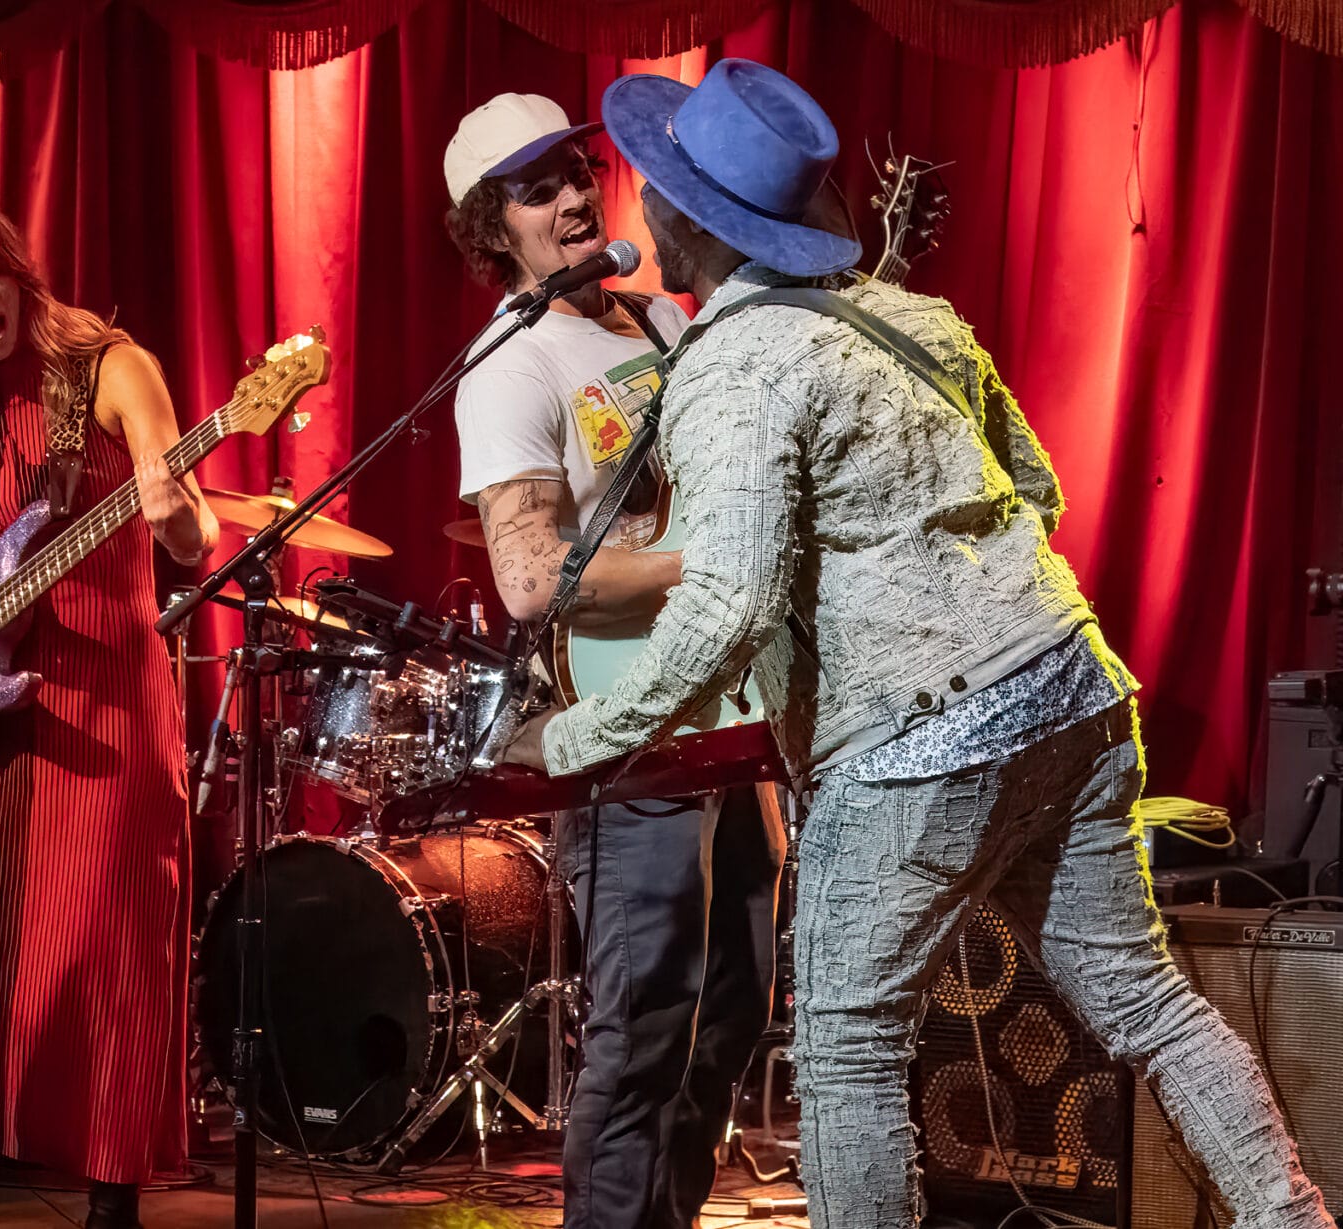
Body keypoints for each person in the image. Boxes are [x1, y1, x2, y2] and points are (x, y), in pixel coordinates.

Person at [503, 58, 1338, 1229]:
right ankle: (1294, 1216)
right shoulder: (915, 317)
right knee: (1143, 996)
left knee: (846, 1049)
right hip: (1074, 687)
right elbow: (1036, 493)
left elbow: (729, 602)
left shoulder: (736, 363)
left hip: (921, 738)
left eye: (650, 183)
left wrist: (579, 736)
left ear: (683, 215)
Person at [443, 95, 785, 1229]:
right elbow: (533, 577)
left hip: (730, 709)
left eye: (579, 169)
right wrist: (717, 567)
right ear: (495, 230)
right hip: (630, 722)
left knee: (732, 1007)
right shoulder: (512, 367)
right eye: (538, 188)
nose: (577, 195)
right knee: (643, 1026)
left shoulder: (666, 324)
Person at [0, 194, 218, 1229]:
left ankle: (112, 1203)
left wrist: (173, 508)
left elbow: (189, 535)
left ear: (17, 268)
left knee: (105, 944)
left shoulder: (108, 368)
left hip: (101, 697)